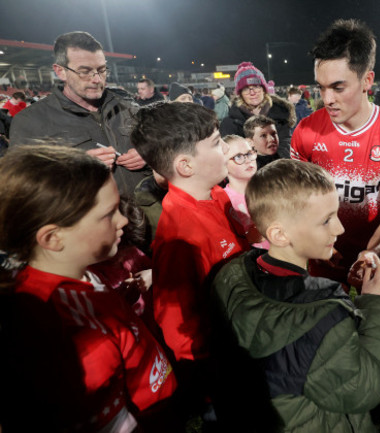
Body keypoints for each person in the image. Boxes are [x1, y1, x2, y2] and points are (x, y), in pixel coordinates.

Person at [290, 18, 380, 431]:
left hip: (377, 260)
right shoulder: (306, 131)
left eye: (338, 86)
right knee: (325, 334)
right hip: (323, 259)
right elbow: (296, 201)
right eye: (319, 87)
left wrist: (371, 252)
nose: (325, 98)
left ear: (368, 80)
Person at [0, 145, 177, 432]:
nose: (123, 220)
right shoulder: (70, 335)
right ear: (53, 237)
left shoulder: (75, 281)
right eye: (108, 214)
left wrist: (116, 303)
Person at [212, 159, 380, 432]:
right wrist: (374, 301)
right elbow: (364, 390)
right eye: (326, 221)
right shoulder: (321, 315)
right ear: (279, 234)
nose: (340, 229)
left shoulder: (231, 274)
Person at [130, 103, 248, 412]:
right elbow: (178, 324)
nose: (226, 149)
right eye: (216, 142)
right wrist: (213, 376)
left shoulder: (216, 194)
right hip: (225, 366)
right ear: (185, 166)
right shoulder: (180, 239)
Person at [10, 31, 148, 196]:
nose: (97, 79)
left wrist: (150, 155)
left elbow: (166, 147)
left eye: (102, 70)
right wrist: (72, 170)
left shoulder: (128, 107)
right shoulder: (31, 121)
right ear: (60, 71)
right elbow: (18, 187)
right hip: (91, 220)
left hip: (149, 215)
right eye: (85, 71)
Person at [220, 62, 295, 158]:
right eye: (246, 89)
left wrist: (271, 165)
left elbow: (286, 145)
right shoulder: (230, 123)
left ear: (264, 89)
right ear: (240, 94)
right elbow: (230, 154)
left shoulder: (280, 114)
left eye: (256, 86)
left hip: (278, 169)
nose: (252, 92)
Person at [222, 134, 268, 249]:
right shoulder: (224, 200)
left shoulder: (270, 187)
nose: (248, 161)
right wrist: (248, 238)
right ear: (223, 164)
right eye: (238, 157)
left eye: (249, 153)